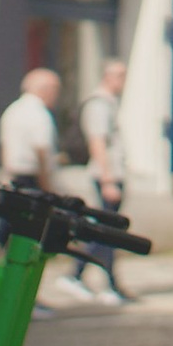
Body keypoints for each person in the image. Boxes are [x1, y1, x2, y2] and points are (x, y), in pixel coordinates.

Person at [67, 58, 131, 304]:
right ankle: (81, 276)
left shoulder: (110, 103)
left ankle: (108, 282)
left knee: (107, 231)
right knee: (104, 232)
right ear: (107, 76)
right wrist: (107, 180)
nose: (123, 81)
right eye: (119, 75)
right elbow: (97, 142)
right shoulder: (99, 105)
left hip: (112, 175)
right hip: (107, 176)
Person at [0, 67, 60, 249]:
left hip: (13, 175)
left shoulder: (13, 110)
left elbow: (5, 145)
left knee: (11, 226)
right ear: (45, 89)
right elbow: (42, 150)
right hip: (31, 177)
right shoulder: (39, 114)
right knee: (28, 232)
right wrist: (47, 185)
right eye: (55, 89)